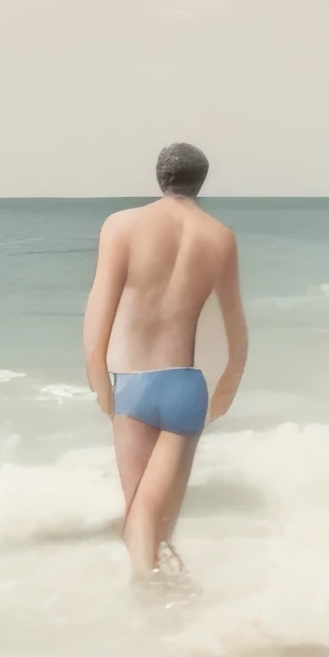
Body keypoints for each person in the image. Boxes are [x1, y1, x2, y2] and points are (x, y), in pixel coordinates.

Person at [85, 141, 245, 575]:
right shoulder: (220, 237)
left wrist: (102, 389)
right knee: (157, 522)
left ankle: (148, 602)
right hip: (187, 389)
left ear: (160, 177)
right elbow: (236, 334)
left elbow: (96, 324)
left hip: (134, 384)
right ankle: (170, 608)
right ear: (201, 181)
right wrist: (223, 395)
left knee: (136, 516)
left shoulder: (121, 226)